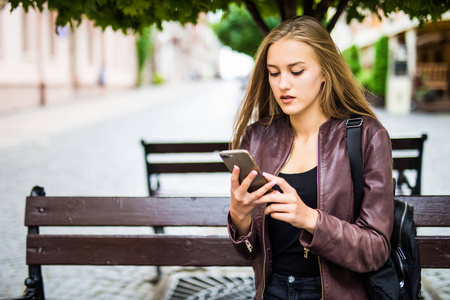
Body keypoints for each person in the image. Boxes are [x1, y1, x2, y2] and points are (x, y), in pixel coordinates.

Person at [227, 16, 394, 300]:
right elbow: (248, 251)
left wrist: (309, 219)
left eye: (297, 71)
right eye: (274, 72)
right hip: (272, 291)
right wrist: (239, 216)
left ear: (325, 72)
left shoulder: (366, 135)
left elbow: (375, 250)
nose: (283, 84)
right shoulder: (258, 137)